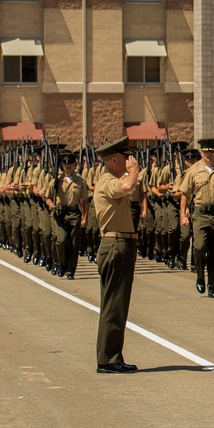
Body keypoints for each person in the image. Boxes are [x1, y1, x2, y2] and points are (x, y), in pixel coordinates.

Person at [92, 137, 141, 374]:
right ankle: (108, 359)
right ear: (113, 159)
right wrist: (133, 172)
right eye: (125, 157)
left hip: (121, 243)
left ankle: (112, 355)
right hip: (116, 243)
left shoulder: (111, 178)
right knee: (114, 304)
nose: (130, 161)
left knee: (117, 304)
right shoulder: (108, 181)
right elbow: (126, 187)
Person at [180, 138, 214, 296]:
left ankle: (213, 286)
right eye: (206, 152)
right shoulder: (193, 170)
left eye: (211, 151)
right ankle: (200, 275)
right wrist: (183, 215)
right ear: (201, 153)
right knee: (199, 248)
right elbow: (185, 194)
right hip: (200, 214)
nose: (209, 154)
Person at [46, 151, 89, 279]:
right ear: (61, 165)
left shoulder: (80, 181)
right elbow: (47, 197)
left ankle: (70, 271)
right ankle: (61, 263)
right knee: (61, 240)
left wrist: (85, 217)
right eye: (65, 163)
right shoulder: (56, 180)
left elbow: (85, 201)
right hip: (60, 213)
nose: (67, 165)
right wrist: (50, 204)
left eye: (70, 162)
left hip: (74, 213)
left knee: (74, 244)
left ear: (75, 164)